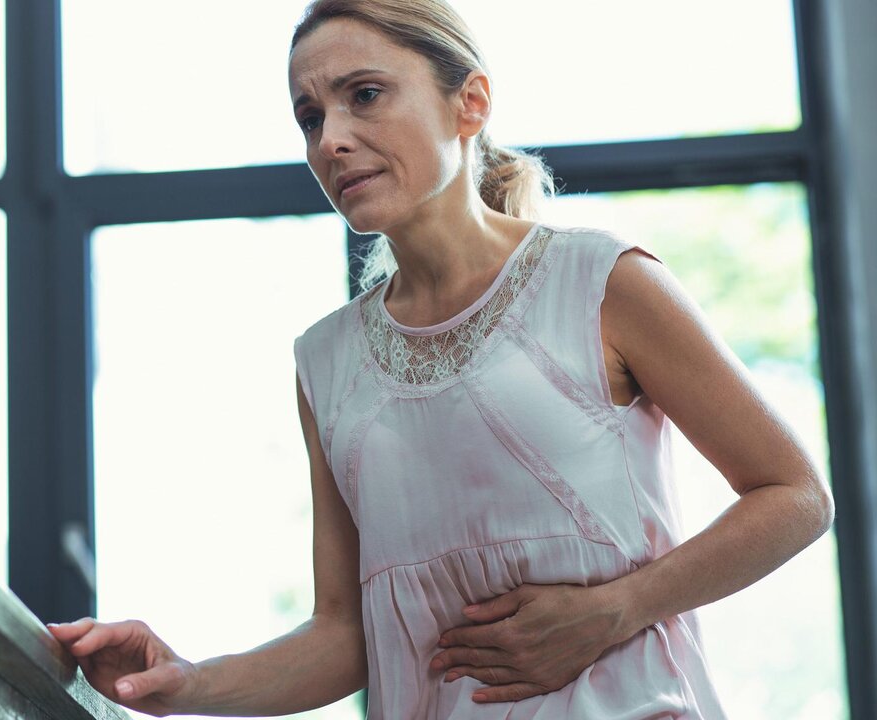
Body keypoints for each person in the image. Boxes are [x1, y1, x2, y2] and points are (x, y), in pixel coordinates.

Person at [46, 0, 836, 717]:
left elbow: (796, 495)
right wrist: (185, 681)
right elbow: (345, 634)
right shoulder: (325, 362)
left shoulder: (602, 280)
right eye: (309, 117)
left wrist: (615, 610)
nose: (331, 140)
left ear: (471, 103)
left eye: (365, 95)